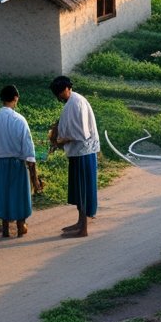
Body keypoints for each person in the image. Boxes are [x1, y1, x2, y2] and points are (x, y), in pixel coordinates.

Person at [0, 85, 40, 238]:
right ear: (15, 98)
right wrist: (34, 175)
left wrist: (0, 150)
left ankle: (5, 228)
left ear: (1, 99)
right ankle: (21, 226)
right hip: (17, 163)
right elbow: (28, 149)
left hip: (0, 163)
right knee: (19, 194)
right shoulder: (20, 120)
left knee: (3, 194)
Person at [49, 75, 99, 237]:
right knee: (78, 188)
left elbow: (81, 133)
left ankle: (83, 228)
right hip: (77, 152)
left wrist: (61, 140)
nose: (58, 98)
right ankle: (79, 222)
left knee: (83, 189)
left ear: (66, 89)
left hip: (83, 152)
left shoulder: (76, 103)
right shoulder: (71, 102)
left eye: (59, 94)